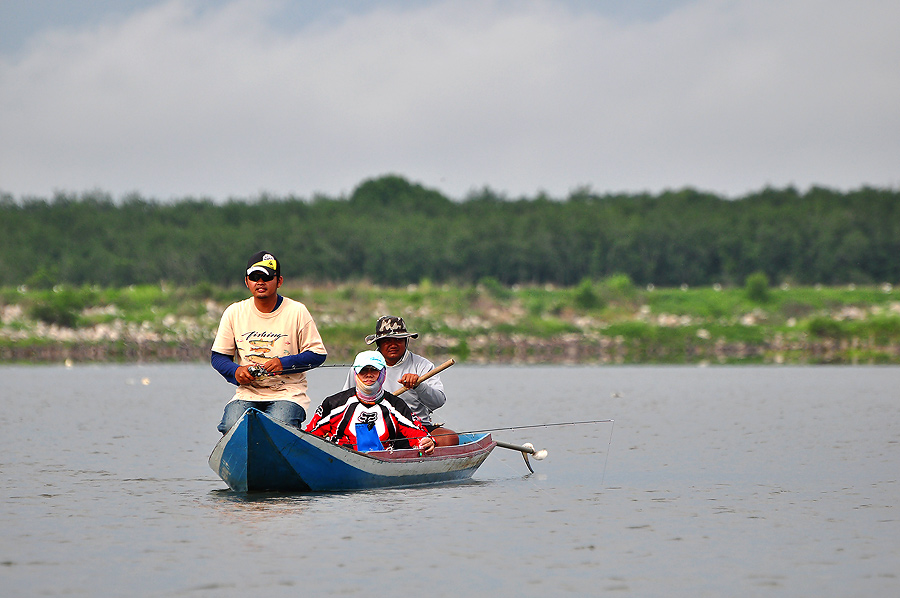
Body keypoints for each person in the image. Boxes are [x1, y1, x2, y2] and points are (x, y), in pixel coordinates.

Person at [210, 250, 327, 434]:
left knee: (278, 426)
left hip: (288, 393)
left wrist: (284, 363)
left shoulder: (297, 311)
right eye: (254, 277)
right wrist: (237, 371)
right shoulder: (234, 312)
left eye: (266, 277)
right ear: (247, 282)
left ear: (279, 281)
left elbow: (318, 354)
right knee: (230, 425)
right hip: (248, 392)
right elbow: (218, 358)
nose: (260, 282)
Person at [343, 315, 459, 446]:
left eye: (398, 340)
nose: (393, 345)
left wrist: (418, 385)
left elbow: (438, 401)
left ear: (406, 341)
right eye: (387, 341)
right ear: (378, 343)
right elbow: (346, 403)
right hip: (376, 425)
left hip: (417, 426)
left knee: (450, 439)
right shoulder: (361, 366)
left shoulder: (422, 365)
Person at [307, 351, 435, 454]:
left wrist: (425, 441)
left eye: (374, 370)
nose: (369, 375)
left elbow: (418, 434)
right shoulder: (333, 403)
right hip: (338, 460)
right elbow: (311, 436)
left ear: (383, 373)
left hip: (383, 461)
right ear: (356, 373)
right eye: (363, 371)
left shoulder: (397, 405)